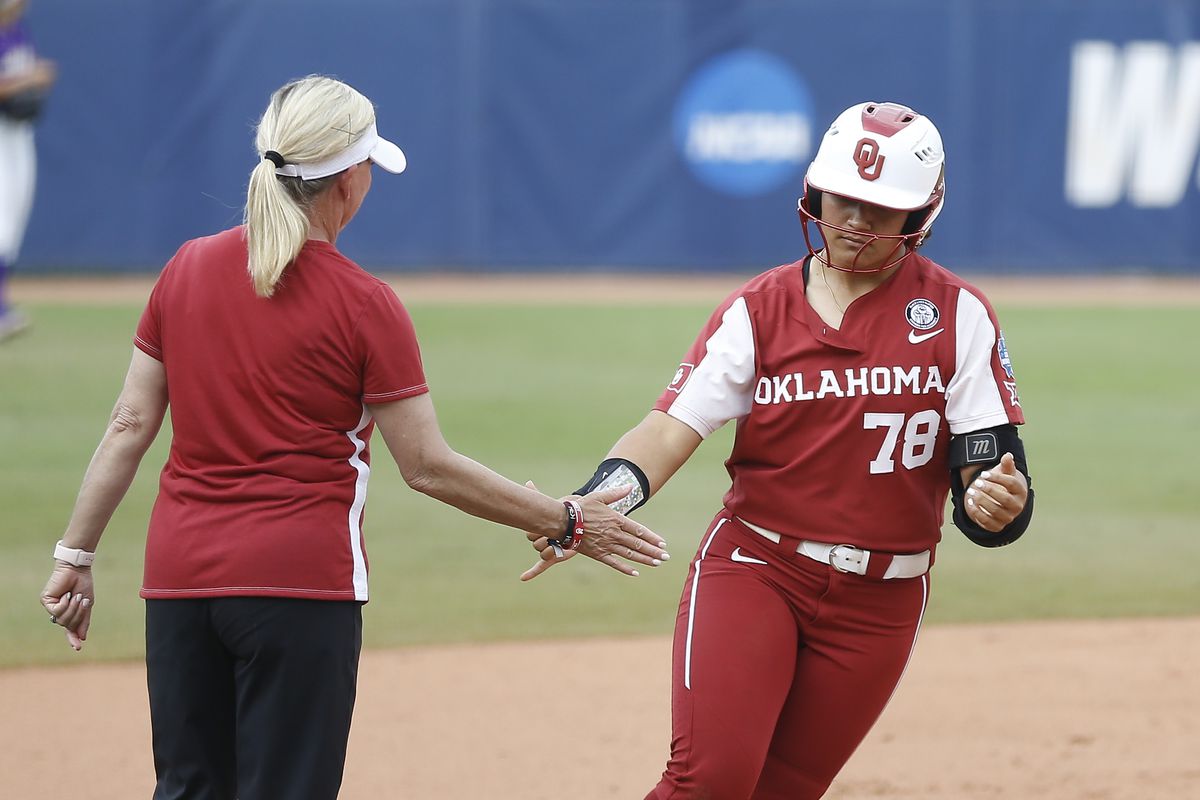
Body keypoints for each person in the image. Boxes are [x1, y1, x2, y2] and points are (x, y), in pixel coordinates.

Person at [38, 75, 669, 800]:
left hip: (180, 581)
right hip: (300, 587)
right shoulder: (366, 304)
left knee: (187, 788)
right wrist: (565, 519)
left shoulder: (185, 269)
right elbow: (427, 466)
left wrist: (74, 555)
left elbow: (128, 424)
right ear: (349, 179)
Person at [522, 101, 1034, 799]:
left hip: (882, 602)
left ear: (921, 217)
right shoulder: (757, 310)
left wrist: (995, 501)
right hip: (759, 567)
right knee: (712, 779)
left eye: (879, 210)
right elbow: (670, 428)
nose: (853, 221)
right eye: (841, 199)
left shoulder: (958, 314)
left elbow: (989, 467)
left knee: (783, 791)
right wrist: (600, 495)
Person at [0, 0, 55, 341]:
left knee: (14, 219)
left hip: (18, 134)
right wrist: (28, 78)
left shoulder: (18, 31)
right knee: (2, 221)